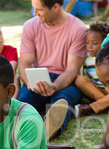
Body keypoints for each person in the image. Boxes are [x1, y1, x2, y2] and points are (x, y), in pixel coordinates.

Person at [17, 0, 87, 141]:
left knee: (61, 101)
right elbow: (24, 63)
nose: (35, 13)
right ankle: (19, 127)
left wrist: (55, 86)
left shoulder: (78, 28)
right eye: (34, 8)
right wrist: (30, 83)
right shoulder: (30, 26)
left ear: (55, 7)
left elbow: (72, 69)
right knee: (23, 103)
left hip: (66, 82)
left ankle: (48, 130)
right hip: (37, 80)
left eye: (39, 9)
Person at [74, 21, 109, 118]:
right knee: (80, 79)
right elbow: (86, 79)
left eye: (94, 43)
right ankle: (104, 103)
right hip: (96, 92)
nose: (89, 46)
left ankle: (92, 108)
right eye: (87, 43)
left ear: (106, 43)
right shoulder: (87, 58)